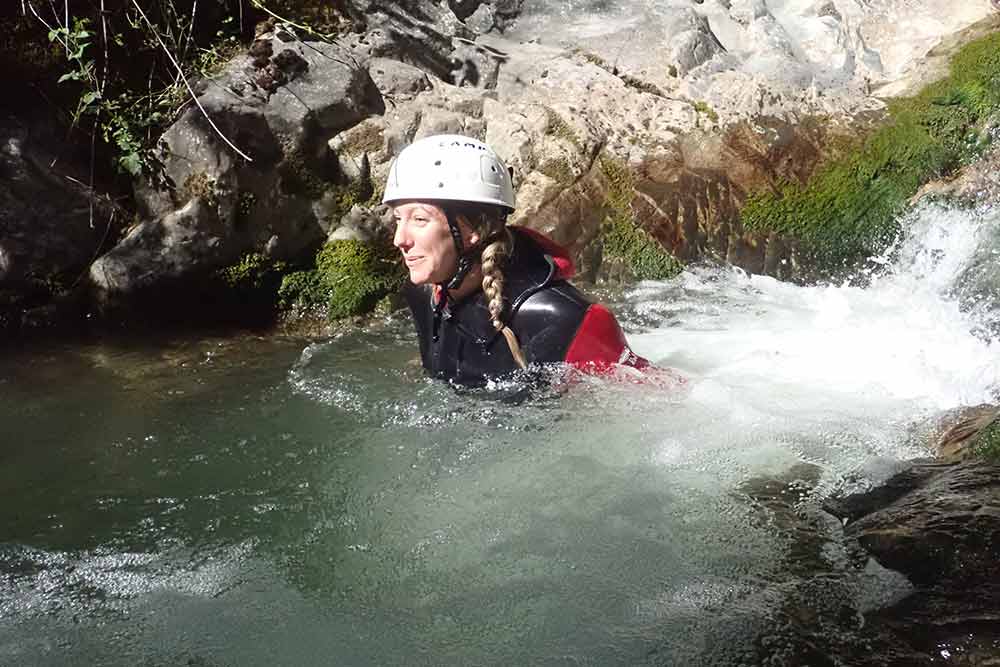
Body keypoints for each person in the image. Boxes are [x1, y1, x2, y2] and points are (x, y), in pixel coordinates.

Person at [384, 133, 652, 387]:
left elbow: (654, 397)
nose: (399, 239)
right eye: (398, 219)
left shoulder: (566, 318)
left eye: (419, 219)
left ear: (472, 229)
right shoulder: (424, 293)